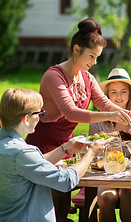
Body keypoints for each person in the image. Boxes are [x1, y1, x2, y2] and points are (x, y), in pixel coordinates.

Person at [25, 18, 131, 220]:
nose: (94, 61)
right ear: (76, 49)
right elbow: (70, 112)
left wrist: (126, 113)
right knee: (51, 203)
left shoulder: (87, 77)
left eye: (97, 57)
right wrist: (111, 115)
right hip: (44, 145)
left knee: (63, 201)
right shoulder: (54, 75)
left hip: (69, 146)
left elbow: (103, 103)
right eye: (92, 56)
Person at [0, 88, 107, 222]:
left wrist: (65, 149)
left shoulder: (7, 145)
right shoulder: (22, 152)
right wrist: (91, 153)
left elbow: (35, 163)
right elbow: (66, 181)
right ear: (26, 119)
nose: (40, 117)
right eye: (39, 113)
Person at [89, 68, 131, 222]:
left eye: (123, 91)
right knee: (106, 198)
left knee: (128, 191)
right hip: (107, 174)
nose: (118, 96)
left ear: (130, 94)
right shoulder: (98, 121)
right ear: (106, 95)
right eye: (114, 92)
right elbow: (94, 154)